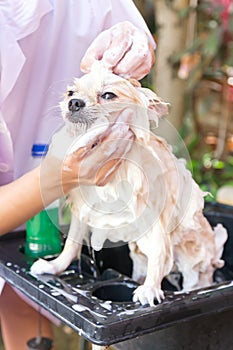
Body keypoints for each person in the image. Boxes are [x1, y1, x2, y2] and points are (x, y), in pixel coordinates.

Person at [0, 1, 155, 349]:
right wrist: (58, 176)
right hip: (42, 191)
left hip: (58, 206)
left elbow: (134, 40)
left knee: (24, 300)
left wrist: (132, 44)